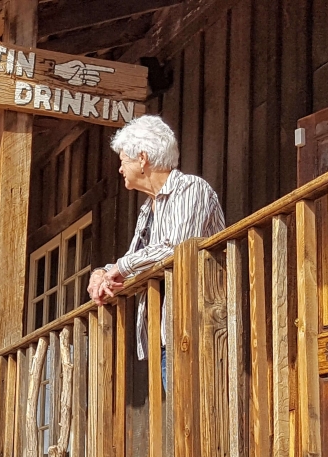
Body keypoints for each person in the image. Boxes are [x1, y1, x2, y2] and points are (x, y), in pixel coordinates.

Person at [87, 115, 225, 376]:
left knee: (199, 416)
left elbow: (177, 246)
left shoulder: (190, 188)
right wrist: (102, 275)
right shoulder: (147, 211)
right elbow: (136, 259)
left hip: (200, 328)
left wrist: (121, 267)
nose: (120, 169)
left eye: (123, 161)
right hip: (169, 334)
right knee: (179, 417)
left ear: (142, 158)